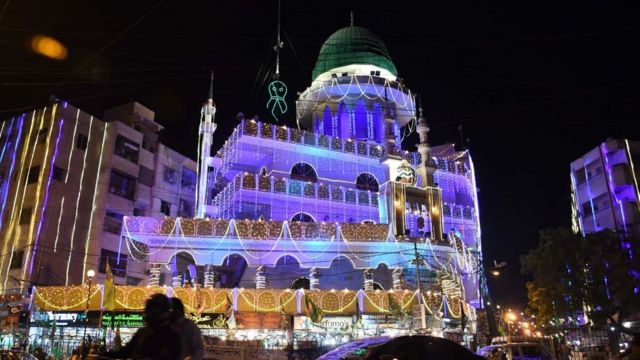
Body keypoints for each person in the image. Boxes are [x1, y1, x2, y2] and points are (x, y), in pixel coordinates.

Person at [102, 293, 181, 360]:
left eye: (154, 310)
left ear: (164, 312)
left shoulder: (170, 335)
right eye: (149, 309)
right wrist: (103, 355)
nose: (150, 313)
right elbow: (126, 351)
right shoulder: (143, 332)